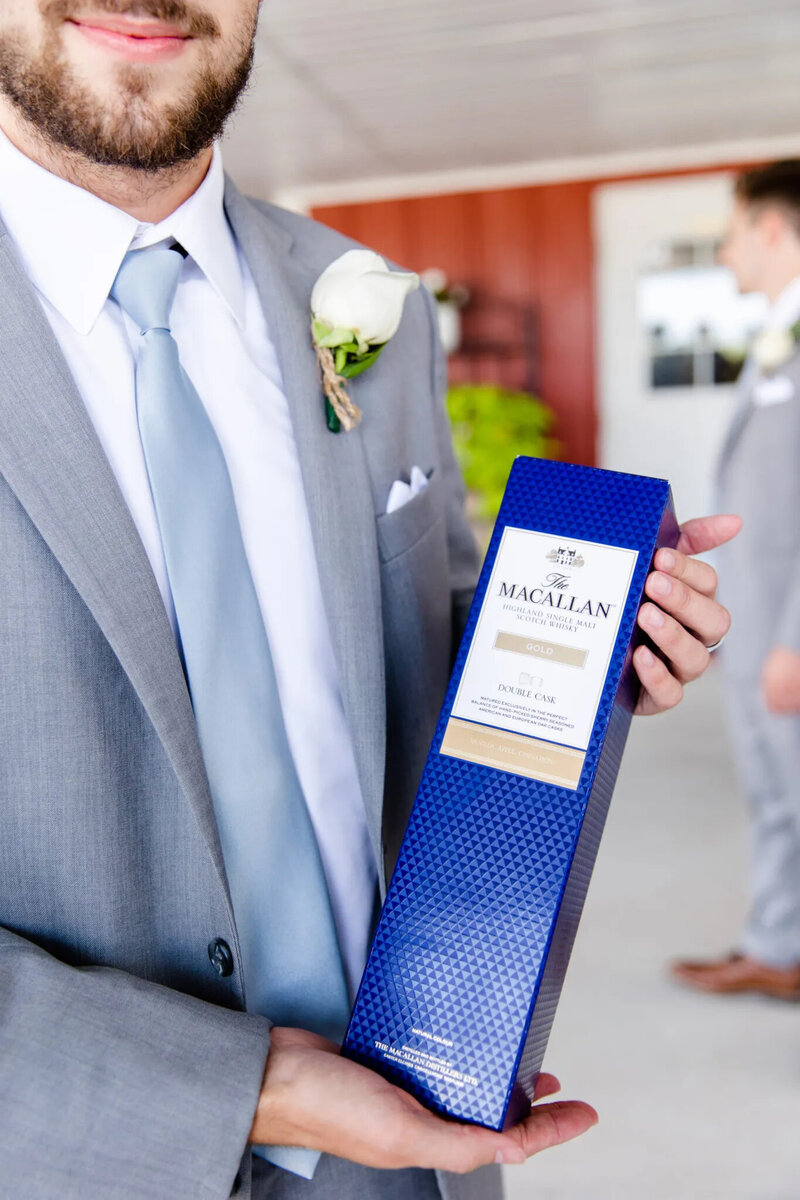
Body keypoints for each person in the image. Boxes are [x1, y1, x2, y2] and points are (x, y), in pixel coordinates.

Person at [0, 2, 736, 1197]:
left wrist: (593, 646)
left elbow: (416, 640)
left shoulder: (367, 300)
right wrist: (250, 1091)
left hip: (417, 1129)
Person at [672, 160, 800, 1001]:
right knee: (776, 792)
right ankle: (778, 945)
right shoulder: (776, 336)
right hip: (757, 619)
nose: (724, 252)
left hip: (789, 630)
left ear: (771, 228)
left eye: (730, 231)